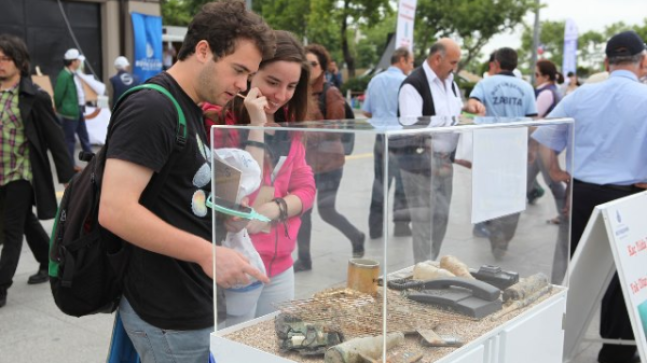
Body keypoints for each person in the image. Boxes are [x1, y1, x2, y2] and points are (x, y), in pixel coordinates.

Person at [96, 1, 275, 362]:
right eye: (238, 71)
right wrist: (208, 255)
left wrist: (224, 214)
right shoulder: (153, 108)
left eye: (249, 75)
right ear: (203, 50)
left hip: (186, 302)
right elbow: (115, 210)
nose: (242, 86)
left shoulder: (188, 106)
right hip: (167, 311)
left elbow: (176, 196)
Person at [532, 31, 647, 363]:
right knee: (624, 280)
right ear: (642, 61)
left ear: (605, 62)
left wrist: (553, 171)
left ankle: (557, 345)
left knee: (577, 273)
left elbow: (545, 137)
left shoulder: (580, 96)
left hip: (581, 194)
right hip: (629, 198)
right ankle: (616, 353)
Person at [203, 30, 315, 326]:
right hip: (238, 260)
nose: (280, 95)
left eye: (291, 86)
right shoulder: (220, 123)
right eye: (272, 82)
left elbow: (307, 189)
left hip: (281, 263)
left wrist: (274, 209)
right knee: (236, 346)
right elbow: (238, 201)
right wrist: (256, 125)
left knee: (274, 343)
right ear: (252, 74)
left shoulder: (290, 126)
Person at [0, 34, 74, 308]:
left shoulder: (35, 97)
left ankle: (1, 285)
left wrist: (67, 177)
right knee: (23, 222)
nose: (1, 64)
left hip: (22, 174)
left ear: (19, 62)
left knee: (11, 229)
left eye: (6, 59)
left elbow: (55, 138)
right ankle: (47, 260)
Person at [397, 38, 481, 263]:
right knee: (424, 222)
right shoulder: (413, 84)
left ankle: (429, 265)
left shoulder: (450, 82)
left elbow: (452, 113)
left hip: (444, 161)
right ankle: (422, 275)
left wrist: (467, 108)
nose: (455, 67)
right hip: (420, 163)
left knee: (441, 218)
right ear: (437, 59)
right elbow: (411, 128)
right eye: (453, 62)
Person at [294, 43, 365, 272]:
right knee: (303, 212)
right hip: (306, 164)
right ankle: (304, 259)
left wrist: (304, 133)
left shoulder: (330, 93)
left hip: (329, 164)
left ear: (323, 68)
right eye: (305, 63)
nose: (308, 67)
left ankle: (357, 236)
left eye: (313, 64)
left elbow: (337, 129)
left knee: (326, 211)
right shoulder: (297, 91)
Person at [467, 47, 538, 259]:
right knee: (512, 195)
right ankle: (504, 236)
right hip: (514, 150)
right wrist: (531, 147)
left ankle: (493, 230)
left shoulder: (485, 83)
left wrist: (474, 106)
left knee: (489, 192)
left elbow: (472, 104)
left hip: (488, 148)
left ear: (496, 63)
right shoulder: (526, 87)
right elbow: (533, 121)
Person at [362, 47, 414, 239]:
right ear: (401, 60)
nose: (411, 66)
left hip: (381, 138)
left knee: (380, 183)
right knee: (402, 185)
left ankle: (375, 229)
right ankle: (401, 226)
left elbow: (367, 111)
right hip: (401, 138)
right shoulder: (407, 83)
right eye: (410, 62)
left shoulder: (375, 80)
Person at [532, 59, 566, 224]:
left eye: (537, 74)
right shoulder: (555, 90)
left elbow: (534, 117)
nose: (535, 78)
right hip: (547, 143)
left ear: (545, 76)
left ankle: (565, 213)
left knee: (552, 181)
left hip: (543, 144)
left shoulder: (546, 93)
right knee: (529, 177)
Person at [53, 48, 93, 172]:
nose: (80, 63)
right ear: (73, 62)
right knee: (70, 140)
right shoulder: (64, 76)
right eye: (78, 61)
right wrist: (62, 109)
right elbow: (58, 95)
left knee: (84, 137)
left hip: (78, 110)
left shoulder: (73, 74)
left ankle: (92, 162)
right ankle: (70, 165)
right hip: (70, 113)